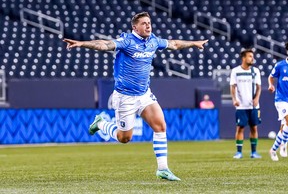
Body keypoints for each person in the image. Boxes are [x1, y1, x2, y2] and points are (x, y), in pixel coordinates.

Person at [63, 12, 208, 181]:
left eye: (149, 23)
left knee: (160, 126)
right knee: (124, 138)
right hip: (125, 97)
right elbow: (104, 45)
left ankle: (163, 169)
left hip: (144, 94)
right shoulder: (127, 41)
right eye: (144, 23)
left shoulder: (153, 41)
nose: (148, 25)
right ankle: (101, 123)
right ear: (135, 27)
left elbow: (174, 44)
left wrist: (193, 43)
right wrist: (82, 44)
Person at [230, 48, 262, 159]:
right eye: (250, 56)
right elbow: (233, 86)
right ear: (243, 58)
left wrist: (257, 98)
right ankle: (239, 152)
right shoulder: (235, 71)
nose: (252, 58)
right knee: (240, 128)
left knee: (254, 128)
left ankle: (254, 152)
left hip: (253, 106)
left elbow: (259, 87)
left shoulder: (255, 71)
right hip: (241, 106)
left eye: (252, 56)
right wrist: (234, 99)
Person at [268, 42, 288, 161]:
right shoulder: (280, 65)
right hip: (281, 99)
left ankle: (275, 149)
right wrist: (271, 85)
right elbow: (271, 76)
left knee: (284, 126)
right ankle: (283, 147)